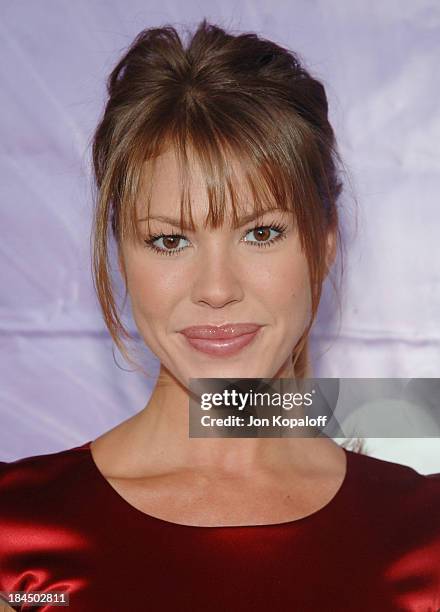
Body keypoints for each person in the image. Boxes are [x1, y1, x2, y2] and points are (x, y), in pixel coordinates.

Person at [0, 19, 439, 612]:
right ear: (120, 253)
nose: (216, 288)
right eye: (169, 241)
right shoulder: (17, 533)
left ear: (325, 242)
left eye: (261, 232)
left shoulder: (424, 536)